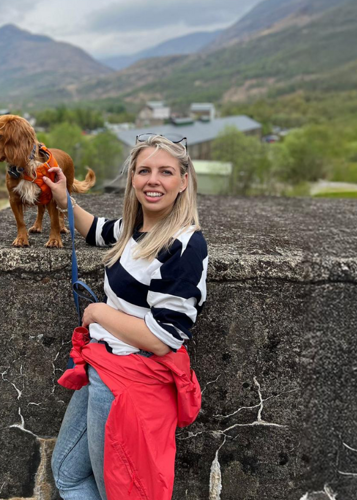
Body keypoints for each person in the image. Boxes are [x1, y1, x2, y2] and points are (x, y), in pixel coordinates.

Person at [43, 134, 208, 500]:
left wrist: (99, 312)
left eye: (165, 172)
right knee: (68, 473)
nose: (153, 180)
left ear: (183, 181)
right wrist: (61, 196)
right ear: (132, 177)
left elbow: (165, 337)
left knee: (117, 491)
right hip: (103, 369)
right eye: (144, 170)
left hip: (131, 381)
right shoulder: (136, 229)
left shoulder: (184, 245)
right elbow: (96, 230)